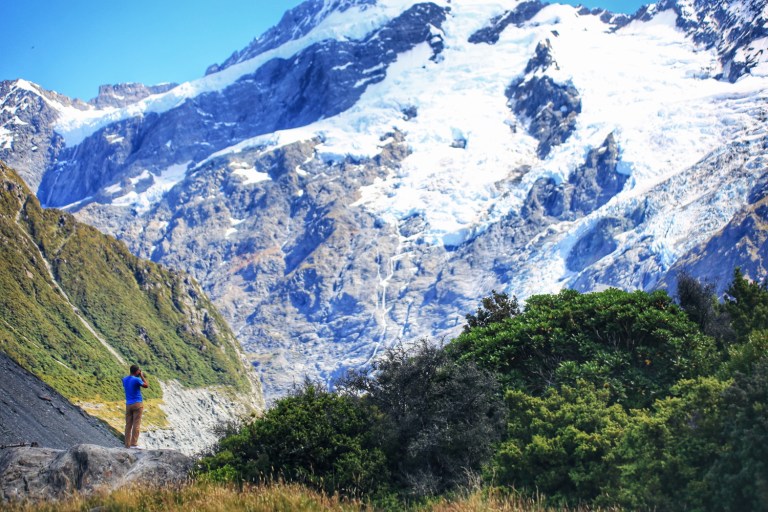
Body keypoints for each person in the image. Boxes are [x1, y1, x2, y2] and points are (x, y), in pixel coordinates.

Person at [122, 364, 149, 449]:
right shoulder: (137, 379)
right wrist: (141, 375)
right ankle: (134, 444)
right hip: (137, 403)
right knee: (136, 424)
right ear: (137, 371)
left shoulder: (124, 379)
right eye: (139, 371)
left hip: (128, 404)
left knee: (128, 425)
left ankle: (127, 445)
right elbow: (146, 385)